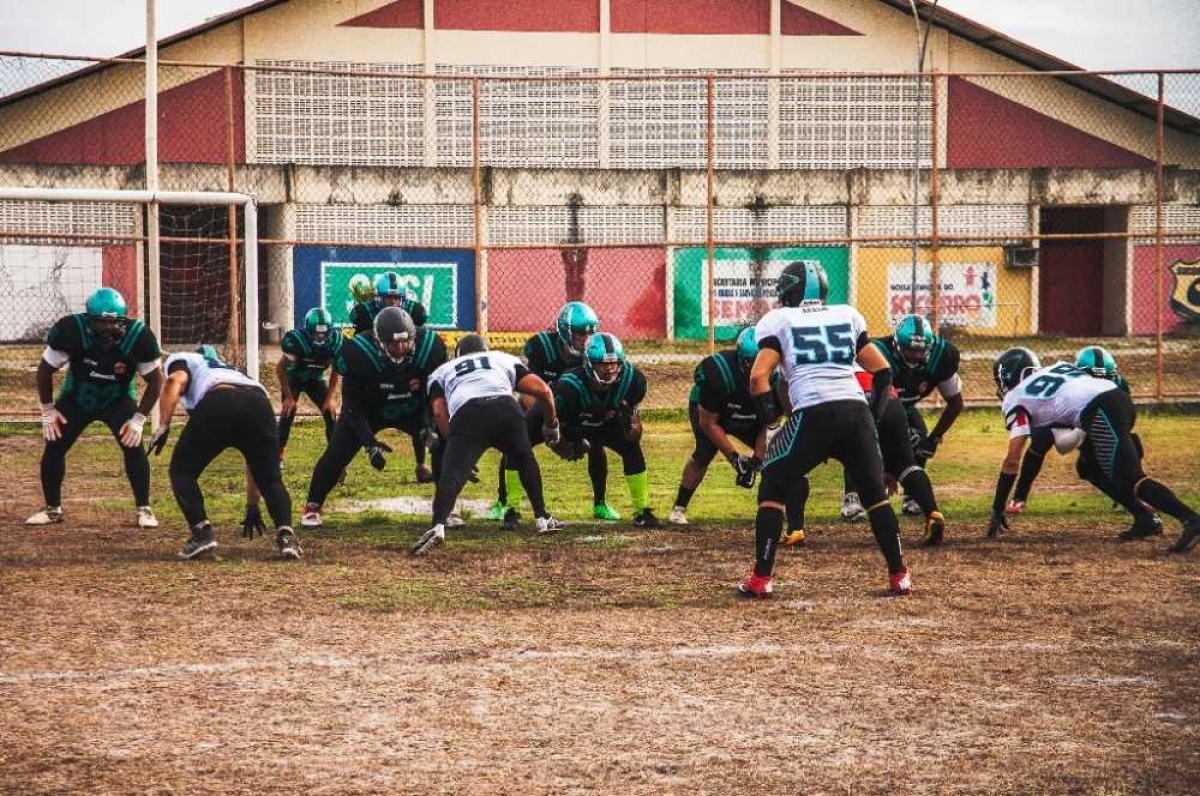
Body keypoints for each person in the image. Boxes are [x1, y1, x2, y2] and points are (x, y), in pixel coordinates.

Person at [738, 261, 911, 599]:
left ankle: (761, 578)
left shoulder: (778, 320)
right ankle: (899, 574)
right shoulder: (847, 314)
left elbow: (758, 377)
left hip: (814, 413)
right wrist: (871, 421)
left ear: (787, 291)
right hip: (855, 412)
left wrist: (771, 422)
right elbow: (883, 372)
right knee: (874, 496)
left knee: (773, 483)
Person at [988, 348, 1200, 551]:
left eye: (1001, 381)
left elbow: (1012, 459)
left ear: (1010, 376)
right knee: (1089, 466)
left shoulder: (1015, 398)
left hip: (1100, 411)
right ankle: (1144, 517)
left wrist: (998, 507)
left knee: (1131, 478)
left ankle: (1191, 520)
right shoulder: (1056, 368)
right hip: (1114, 399)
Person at [410, 334, 566, 555]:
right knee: (525, 459)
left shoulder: (443, 370)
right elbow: (544, 391)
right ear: (487, 350)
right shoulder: (502, 358)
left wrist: (455, 445)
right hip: (505, 408)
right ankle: (542, 518)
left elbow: (438, 411)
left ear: (457, 355)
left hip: (468, 414)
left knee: (451, 475)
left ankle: (438, 526)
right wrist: (551, 424)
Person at [26, 287, 164, 529]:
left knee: (133, 445)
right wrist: (48, 410)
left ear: (123, 320)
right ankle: (52, 509)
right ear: (89, 319)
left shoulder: (138, 336)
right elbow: (45, 370)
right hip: (78, 398)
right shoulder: (72, 330)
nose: (109, 328)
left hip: (117, 399)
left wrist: (139, 419)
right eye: (102, 322)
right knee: (55, 444)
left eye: (114, 322)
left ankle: (144, 508)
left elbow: (156, 381)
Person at [300, 307, 447, 528]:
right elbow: (352, 406)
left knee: (443, 444)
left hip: (412, 407)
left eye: (404, 342)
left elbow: (434, 394)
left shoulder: (430, 348)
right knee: (336, 453)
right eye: (393, 343)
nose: (399, 348)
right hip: (370, 410)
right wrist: (370, 444)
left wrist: (428, 427)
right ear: (379, 342)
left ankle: (447, 506)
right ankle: (312, 506)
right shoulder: (358, 353)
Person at [151, 345, 300, 560]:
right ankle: (287, 536)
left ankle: (202, 533)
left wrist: (164, 424)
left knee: (182, 471)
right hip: (259, 404)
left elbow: (174, 381)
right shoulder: (235, 373)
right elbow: (252, 460)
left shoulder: (187, 360)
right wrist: (252, 503)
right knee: (271, 479)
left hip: (220, 400)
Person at [667, 327, 807, 546]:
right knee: (704, 453)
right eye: (753, 362)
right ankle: (679, 508)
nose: (759, 368)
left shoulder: (780, 380)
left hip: (754, 415)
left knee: (778, 456)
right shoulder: (718, 373)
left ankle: (778, 510)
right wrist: (735, 459)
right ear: (741, 360)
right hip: (715, 413)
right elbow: (708, 423)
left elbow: (770, 425)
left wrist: (756, 462)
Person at [1005, 346, 1160, 538]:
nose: (1101, 383)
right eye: (1095, 378)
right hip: (1069, 418)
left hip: (1094, 419)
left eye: (1106, 378)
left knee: (1126, 445)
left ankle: (1137, 496)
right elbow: (1062, 446)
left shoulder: (1119, 385)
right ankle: (1019, 497)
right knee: (1041, 442)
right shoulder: (1067, 389)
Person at [491, 301, 609, 523]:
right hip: (539, 408)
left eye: (590, 333)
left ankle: (601, 503)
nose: (586, 339)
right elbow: (528, 395)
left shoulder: (594, 353)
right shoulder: (542, 348)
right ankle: (505, 502)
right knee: (516, 441)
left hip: (574, 411)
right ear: (565, 332)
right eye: (580, 334)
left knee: (597, 442)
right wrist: (553, 433)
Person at [842, 314, 963, 520]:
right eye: (910, 350)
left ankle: (912, 496)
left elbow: (955, 402)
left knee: (920, 438)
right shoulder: (878, 352)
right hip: (874, 404)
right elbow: (868, 394)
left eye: (920, 350)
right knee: (860, 440)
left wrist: (934, 438)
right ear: (897, 345)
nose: (915, 355)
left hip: (904, 408)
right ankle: (852, 496)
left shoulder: (942, 356)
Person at [851, 367, 947, 547]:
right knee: (906, 465)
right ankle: (932, 513)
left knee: (803, 459)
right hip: (890, 398)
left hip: (851, 398)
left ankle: (796, 527)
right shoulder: (866, 357)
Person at [277, 307, 342, 461]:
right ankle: (277, 454)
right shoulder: (297, 343)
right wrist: (289, 397)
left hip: (315, 379)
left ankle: (335, 459)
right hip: (294, 378)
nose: (320, 337)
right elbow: (280, 369)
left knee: (330, 414)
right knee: (288, 412)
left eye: (323, 334)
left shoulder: (334, 344)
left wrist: (330, 398)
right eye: (316, 333)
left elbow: (336, 371)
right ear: (308, 331)